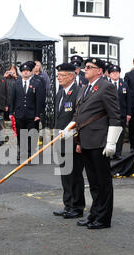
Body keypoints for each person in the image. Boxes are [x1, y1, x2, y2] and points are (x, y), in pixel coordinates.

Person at [66, 57, 122, 229]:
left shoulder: (107, 87)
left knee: (103, 182)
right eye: (85, 67)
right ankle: (94, 214)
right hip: (86, 141)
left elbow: (115, 115)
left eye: (90, 67)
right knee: (93, 182)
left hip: (100, 141)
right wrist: (69, 129)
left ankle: (104, 218)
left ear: (99, 71)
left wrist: (111, 142)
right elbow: (79, 114)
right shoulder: (84, 88)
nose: (85, 69)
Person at [53, 62, 85, 219]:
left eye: (62, 75)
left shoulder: (78, 92)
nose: (59, 78)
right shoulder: (60, 93)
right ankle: (68, 205)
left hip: (72, 140)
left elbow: (78, 117)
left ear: (72, 76)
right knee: (64, 175)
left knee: (74, 176)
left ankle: (77, 206)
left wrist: (76, 138)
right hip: (60, 140)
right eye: (58, 75)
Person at [9, 61, 45, 160]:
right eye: (23, 71)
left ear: (31, 72)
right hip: (20, 113)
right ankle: (22, 151)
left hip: (32, 114)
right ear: (21, 72)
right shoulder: (16, 83)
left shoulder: (37, 83)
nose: (25, 72)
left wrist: (38, 114)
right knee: (21, 134)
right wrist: (11, 112)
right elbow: (12, 98)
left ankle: (31, 152)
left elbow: (39, 100)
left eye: (27, 71)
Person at [108, 64, 131, 160]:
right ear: (109, 74)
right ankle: (109, 152)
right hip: (108, 114)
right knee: (109, 133)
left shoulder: (124, 84)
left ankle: (118, 153)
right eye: (113, 72)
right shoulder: (106, 84)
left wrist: (129, 113)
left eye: (117, 72)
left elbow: (128, 100)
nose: (115, 74)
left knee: (120, 134)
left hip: (121, 113)